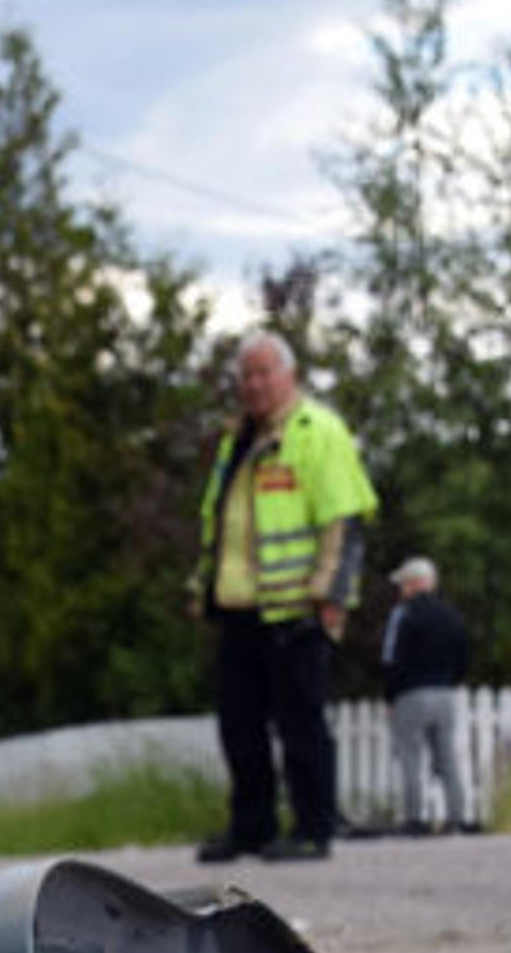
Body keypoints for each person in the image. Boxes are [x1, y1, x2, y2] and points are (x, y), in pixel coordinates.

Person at [190, 332, 375, 864]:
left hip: (297, 607)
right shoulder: (236, 441)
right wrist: (203, 588)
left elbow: (344, 520)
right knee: (239, 725)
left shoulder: (318, 432)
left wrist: (330, 596)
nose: (253, 384)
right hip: (240, 607)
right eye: (245, 375)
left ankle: (314, 826)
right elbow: (221, 525)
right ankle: (251, 826)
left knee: (301, 723)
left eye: (263, 373)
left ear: (289, 376)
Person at [379, 555, 470, 836]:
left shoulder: (403, 614)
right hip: (445, 694)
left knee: (411, 759)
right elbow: (464, 654)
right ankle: (456, 817)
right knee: (447, 758)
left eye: (403, 584)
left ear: (413, 583)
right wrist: (451, 681)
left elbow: (391, 657)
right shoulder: (451, 614)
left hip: (411, 695)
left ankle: (415, 818)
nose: (400, 590)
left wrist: (390, 695)